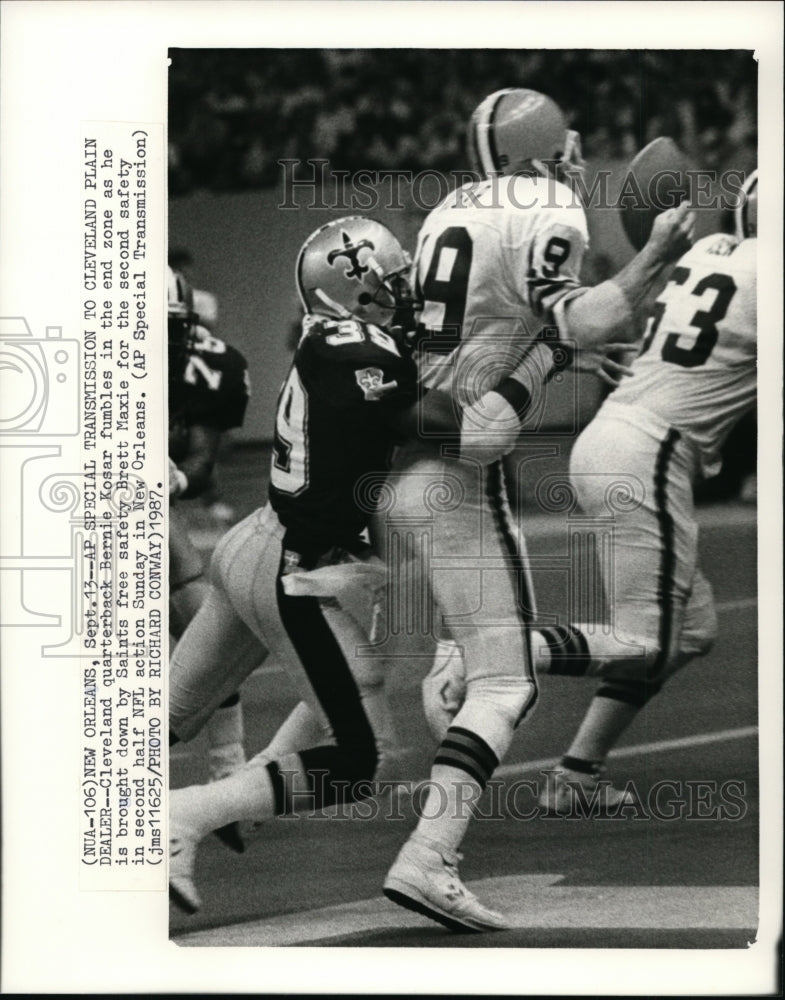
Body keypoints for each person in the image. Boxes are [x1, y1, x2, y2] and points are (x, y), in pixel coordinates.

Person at [167, 216, 562, 915]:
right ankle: (186, 816)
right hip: (293, 569)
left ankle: (82, 823)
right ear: (359, 288)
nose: (407, 290)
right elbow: (474, 434)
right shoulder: (359, 353)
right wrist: (544, 355)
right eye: (393, 279)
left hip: (261, 543)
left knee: (165, 718)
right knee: (360, 761)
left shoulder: (339, 339)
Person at [379, 88, 696, 932]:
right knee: (505, 681)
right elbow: (585, 315)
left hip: (410, 459)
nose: (574, 154)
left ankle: (192, 818)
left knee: (364, 679)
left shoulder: (452, 205)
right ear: (537, 155)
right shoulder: (547, 204)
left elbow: (508, 320)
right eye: (562, 144)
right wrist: (653, 258)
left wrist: (564, 343)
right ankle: (427, 858)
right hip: (456, 471)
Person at [424, 167, 758, 818]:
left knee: (691, 630)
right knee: (649, 641)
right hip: (649, 453)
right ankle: (485, 654)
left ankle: (576, 772)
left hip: (611, 440)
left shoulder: (714, 254)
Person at [167, 265, 252, 851]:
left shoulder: (206, 369)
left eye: (177, 328)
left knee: (208, 631)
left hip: (145, 507)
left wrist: (167, 476)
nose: (170, 342)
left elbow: (199, 468)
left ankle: (228, 776)